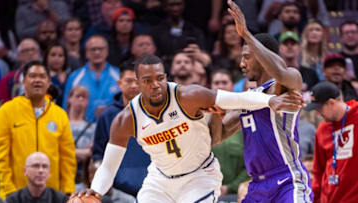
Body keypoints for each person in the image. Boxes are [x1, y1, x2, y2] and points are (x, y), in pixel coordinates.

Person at [72, 53, 304, 203]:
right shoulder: (126, 119)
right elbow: (109, 166)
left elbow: (231, 98)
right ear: (138, 82)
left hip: (199, 176)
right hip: (160, 180)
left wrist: (269, 101)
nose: (156, 85)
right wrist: (96, 191)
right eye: (148, 80)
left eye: (160, 78)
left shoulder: (187, 95)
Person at [227, 0, 312, 202]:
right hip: (257, 185)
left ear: (261, 55)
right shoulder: (248, 98)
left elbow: (283, 73)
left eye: (247, 57)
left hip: (287, 180)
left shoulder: (283, 85)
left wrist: (246, 34)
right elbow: (221, 128)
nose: (242, 64)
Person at [0, 61, 76, 199]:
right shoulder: (6, 111)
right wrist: (8, 190)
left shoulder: (59, 114)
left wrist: (68, 191)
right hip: (15, 194)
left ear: (49, 81)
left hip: (52, 195)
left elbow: (67, 158)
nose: (37, 80)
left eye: (42, 76)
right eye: (32, 76)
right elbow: (1, 155)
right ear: (23, 80)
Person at [93, 60, 149, 198]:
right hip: (118, 192)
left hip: (154, 188)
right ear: (119, 84)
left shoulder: (157, 113)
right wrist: (102, 186)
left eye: (138, 81)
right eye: (129, 81)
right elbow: (98, 155)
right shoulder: (107, 115)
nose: (134, 86)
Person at [305, 81, 358, 203]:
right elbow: (318, 171)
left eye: (319, 108)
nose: (317, 113)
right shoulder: (322, 130)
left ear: (331, 103)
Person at [210, 69, 249, 200]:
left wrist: (231, 187)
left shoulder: (244, 119)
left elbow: (251, 161)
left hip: (238, 193)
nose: (220, 86)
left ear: (233, 86)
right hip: (205, 191)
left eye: (224, 82)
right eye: (216, 83)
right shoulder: (200, 119)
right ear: (210, 87)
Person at [63, 35, 120, 122]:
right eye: (93, 49)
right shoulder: (75, 77)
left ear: (107, 51)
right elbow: (66, 108)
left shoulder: (119, 76)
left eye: (101, 49)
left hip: (112, 130)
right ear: (86, 53)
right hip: (82, 131)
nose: (97, 52)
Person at [67, 86, 96, 191]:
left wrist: (67, 152)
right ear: (69, 99)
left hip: (82, 180)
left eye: (84, 97)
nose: (80, 100)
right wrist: (81, 153)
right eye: (77, 96)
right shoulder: (61, 123)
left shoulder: (93, 128)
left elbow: (90, 153)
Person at [0, 39, 41, 104]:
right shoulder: (8, 79)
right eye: (25, 51)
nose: (30, 53)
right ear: (18, 56)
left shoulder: (50, 77)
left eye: (33, 50)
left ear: (39, 53)